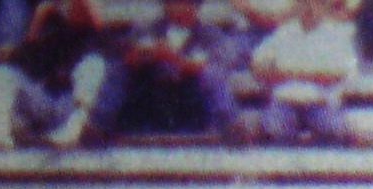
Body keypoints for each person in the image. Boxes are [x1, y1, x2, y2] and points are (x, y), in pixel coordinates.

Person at [0, 0, 123, 149]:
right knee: (2, 73)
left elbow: (99, 29)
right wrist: (40, 19)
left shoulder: (97, 36)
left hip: (75, 110)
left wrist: (82, 10)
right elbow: (20, 62)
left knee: (93, 64)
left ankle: (73, 130)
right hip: (47, 103)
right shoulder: (51, 27)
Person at [114, 0, 248, 140]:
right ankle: (101, 124)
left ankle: (232, 126)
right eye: (173, 3)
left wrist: (174, 58)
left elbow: (218, 68)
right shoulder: (148, 30)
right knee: (119, 70)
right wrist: (148, 55)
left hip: (192, 96)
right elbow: (126, 58)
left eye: (185, 3)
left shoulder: (211, 35)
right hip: (151, 91)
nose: (178, 8)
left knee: (211, 76)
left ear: (195, 6)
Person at [246, 0, 357, 144]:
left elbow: (342, 74)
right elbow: (257, 67)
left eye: (317, 3)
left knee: (334, 130)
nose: (310, 8)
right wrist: (306, 75)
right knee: (273, 129)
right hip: (285, 102)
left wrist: (292, 75)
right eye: (305, 2)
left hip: (320, 103)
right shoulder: (284, 33)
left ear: (325, 7)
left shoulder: (336, 36)